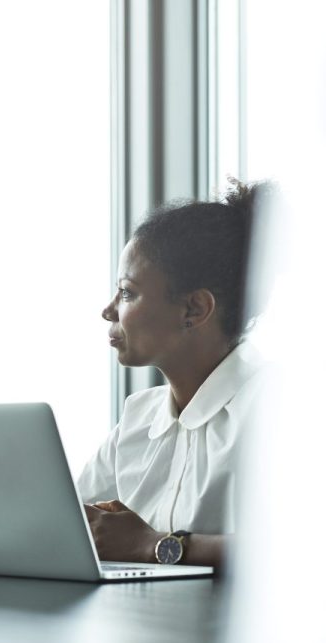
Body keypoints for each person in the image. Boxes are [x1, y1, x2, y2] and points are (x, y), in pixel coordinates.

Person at [78, 180, 267, 572]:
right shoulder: (138, 417)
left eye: (127, 293)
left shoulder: (276, 406)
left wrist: (154, 546)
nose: (109, 311)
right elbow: (69, 522)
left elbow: (308, 548)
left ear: (194, 309)